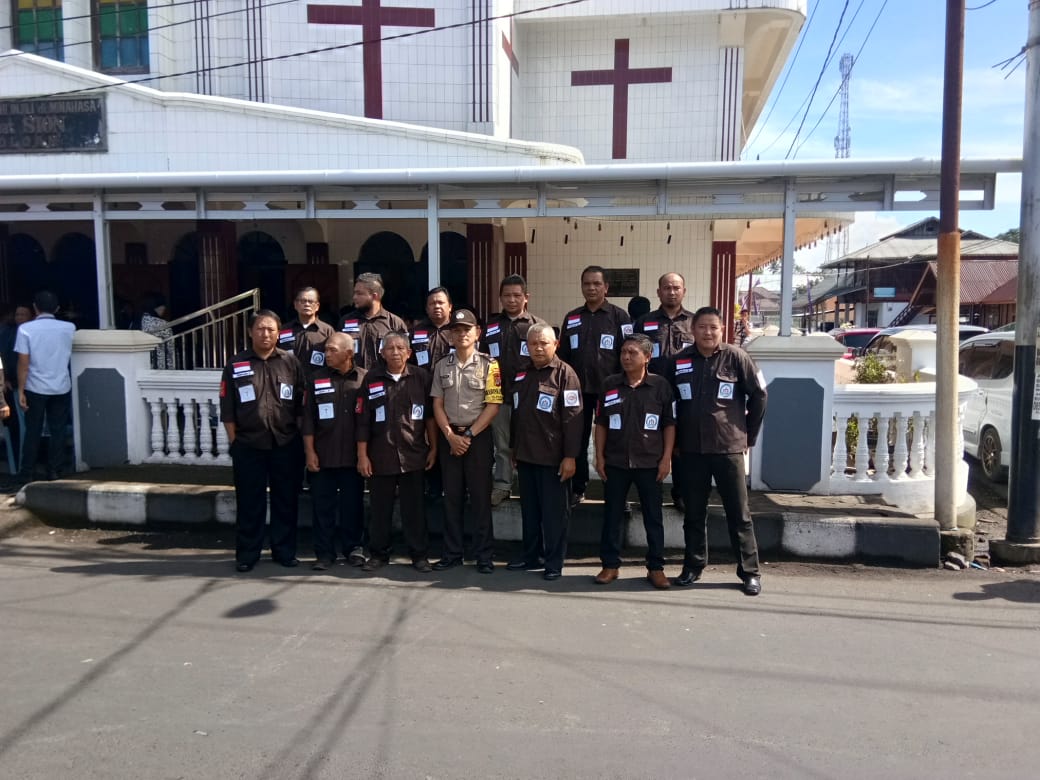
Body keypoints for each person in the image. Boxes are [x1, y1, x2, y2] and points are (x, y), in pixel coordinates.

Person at [669, 306, 767, 596]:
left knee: (739, 514)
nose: (708, 332)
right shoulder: (679, 361)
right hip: (691, 451)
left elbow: (760, 395)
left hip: (728, 448)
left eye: (713, 327)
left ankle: (749, 572)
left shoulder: (737, 357)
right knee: (693, 513)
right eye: (702, 327)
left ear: (721, 330)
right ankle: (693, 566)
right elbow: (667, 402)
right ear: (693, 330)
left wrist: (748, 434)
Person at [220, 310, 306, 572]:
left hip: (285, 443)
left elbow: (301, 404)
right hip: (248, 445)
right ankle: (248, 554)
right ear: (250, 332)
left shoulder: (290, 362)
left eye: (271, 329)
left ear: (279, 333)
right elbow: (228, 408)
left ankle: (284, 551)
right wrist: (235, 443)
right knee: (249, 502)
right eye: (260, 328)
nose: (265, 334)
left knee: (286, 500)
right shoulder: (235, 364)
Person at [593, 334, 675, 589]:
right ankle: (610, 565)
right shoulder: (610, 384)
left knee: (653, 517)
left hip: (650, 462)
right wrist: (599, 456)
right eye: (623, 352)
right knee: (612, 515)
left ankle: (656, 568)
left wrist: (666, 459)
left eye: (633, 353)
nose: (626, 357)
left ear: (647, 357)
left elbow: (669, 425)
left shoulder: (660, 386)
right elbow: (601, 423)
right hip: (616, 461)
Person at [356, 331, 437, 572]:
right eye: (390, 348)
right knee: (380, 509)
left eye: (400, 348)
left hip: (414, 454)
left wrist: (434, 448)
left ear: (409, 352)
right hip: (380, 455)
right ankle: (378, 554)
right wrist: (362, 455)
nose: (395, 352)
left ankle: (419, 555)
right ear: (382, 353)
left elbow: (430, 417)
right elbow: (363, 421)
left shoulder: (421, 377)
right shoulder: (371, 379)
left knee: (415, 509)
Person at [508, 323, 583, 581]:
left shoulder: (566, 375)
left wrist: (570, 456)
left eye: (544, 343)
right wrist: (514, 449)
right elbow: (516, 414)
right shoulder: (522, 372)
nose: (538, 348)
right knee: (530, 512)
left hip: (554, 458)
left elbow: (573, 419)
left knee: (554, 515)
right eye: (533, 344)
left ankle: (553, 562)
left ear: (556, 345)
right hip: (526, 455)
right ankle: (531, 556)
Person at [430, 309, 502, 574]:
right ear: (450, 335)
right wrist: (450, 435)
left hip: (478, 439)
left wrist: (468, 436)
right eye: (457, 330)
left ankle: (484, 555)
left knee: (480, 498)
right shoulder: (441, 366)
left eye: (467, 330)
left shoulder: (490, 365)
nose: (461, 334)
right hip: (450, 438)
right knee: (452, 497)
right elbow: (437, 404)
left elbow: (493, 405)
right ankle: (452, 553)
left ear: (477, 333)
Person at [557, 265, 632, 504]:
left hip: (610, 390)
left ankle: (614, 490)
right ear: (581, 287)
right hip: (577, 391)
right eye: (587, 284)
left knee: (613, 438)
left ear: (606, 287)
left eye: (597, 284)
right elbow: (563, 356)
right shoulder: (572, 317)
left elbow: (628, 353)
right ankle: (578, 487)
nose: (591, 288)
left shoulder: (620, 317)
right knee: (576, 439)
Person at [302, 332, 368, 571]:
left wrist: (364, 455)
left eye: (332, 350)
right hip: (323, 455)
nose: (327, 354)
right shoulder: (315, 379)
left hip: (352, 457)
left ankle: (354, 548)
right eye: (326, 350)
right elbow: (308, 419)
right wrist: (310, 452)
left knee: (353, 506)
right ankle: (324, 553)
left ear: (349, 353)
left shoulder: (364, 379)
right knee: (322, 507)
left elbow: (367, 421)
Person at [481, 274, 547, 506]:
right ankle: (502, 485)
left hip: (528, 396)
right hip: (498, 395)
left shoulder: (536, 326)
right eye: (507, 295)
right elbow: (482, 359)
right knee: (502, 445)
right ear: (500, 298)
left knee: (530, 441)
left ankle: (532, 486)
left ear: (526, 297)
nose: (511, 300)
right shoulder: (490, 326)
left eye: (517, 295)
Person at [633, 272, 696, 510]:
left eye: (676, 288)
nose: (671, 292)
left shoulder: (694, 322)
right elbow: (633, 353)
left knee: (682, 444)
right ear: (658, 292)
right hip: (651, 392)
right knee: (649, 441)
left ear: (684, 291)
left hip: (684, 394)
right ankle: (651, 496)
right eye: (667, 288)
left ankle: (681, 493)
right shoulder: (644, 322)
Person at [13, 291, 75, 486]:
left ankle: (27, 473)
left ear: (35, 308)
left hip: (35, 386)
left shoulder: (25, 329)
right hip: (61, 385)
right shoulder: (69, 328)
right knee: (58, 430)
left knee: (33, 430)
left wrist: (21, 390)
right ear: (57, 308)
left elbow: (23, 363)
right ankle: (54, 470)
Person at [336, 273, 408, 370]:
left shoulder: (395, 323)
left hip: (384, 378)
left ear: (374, 296)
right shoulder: (345, 321)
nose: (354, 297)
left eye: (359, 293)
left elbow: (404, 357)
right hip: (353, 377)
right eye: (354, 293)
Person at [280, 286, 335, 374]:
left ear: (317, 306)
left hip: (318, 379)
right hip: (290, 378)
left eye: (311, 301)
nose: (307, 304)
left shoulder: (327, 330)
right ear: (295, 305)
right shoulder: (284, 330)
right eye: (303, 301)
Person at [409, 287, 455, 370]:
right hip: (423, 377)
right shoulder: (416, 331)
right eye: (432, 303)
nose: (437, 306)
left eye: (441, 303)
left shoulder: (457, 330)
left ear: (450, 307)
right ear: (426, 309)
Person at [139, 292, 174, 369]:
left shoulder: (139, 321)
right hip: (160, 365)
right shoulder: (163, 324)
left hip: (143, 363)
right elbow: (170, 349)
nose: (164, 308)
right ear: (156, 307)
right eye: (162, 306)